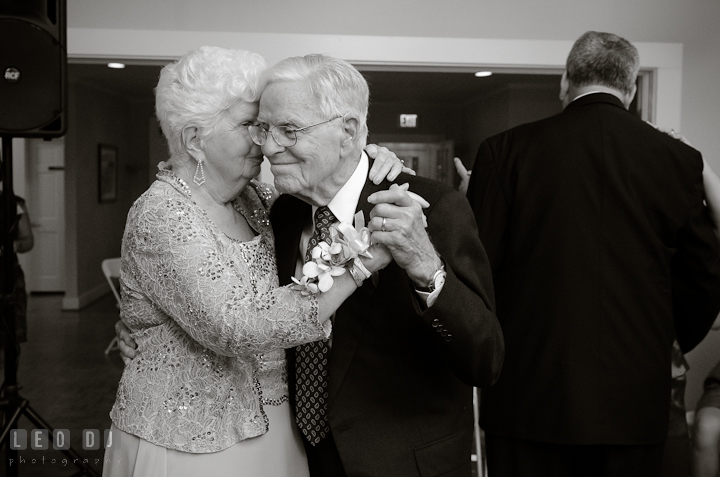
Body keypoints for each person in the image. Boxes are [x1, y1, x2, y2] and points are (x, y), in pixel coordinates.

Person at [103, 46, 411, 477]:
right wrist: (356, 265)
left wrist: (362, 154)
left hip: (276, 426)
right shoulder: (160, 214)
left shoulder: (260, 200)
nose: (264, 140)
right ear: (195, 140)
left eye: (266, 125)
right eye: (251, 124)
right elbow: (235, 327)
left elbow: (329, 181)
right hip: (189, 439)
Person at [464, 31, 720, 477]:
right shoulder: (678, 160)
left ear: (566, 82)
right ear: (632, 88)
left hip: (528, 396)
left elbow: (478, 270)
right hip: (635, 399)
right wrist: (662, 340)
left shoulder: (504, 152)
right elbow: (705, 277)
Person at [248, 53, 503, 477]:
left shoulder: (433, 207)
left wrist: (425, 264)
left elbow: (486, 360)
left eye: (288, 130)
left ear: (347, 132)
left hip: (407, 463)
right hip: (301, 459)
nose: (270, 147)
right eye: (264, 128)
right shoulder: (285, 213)